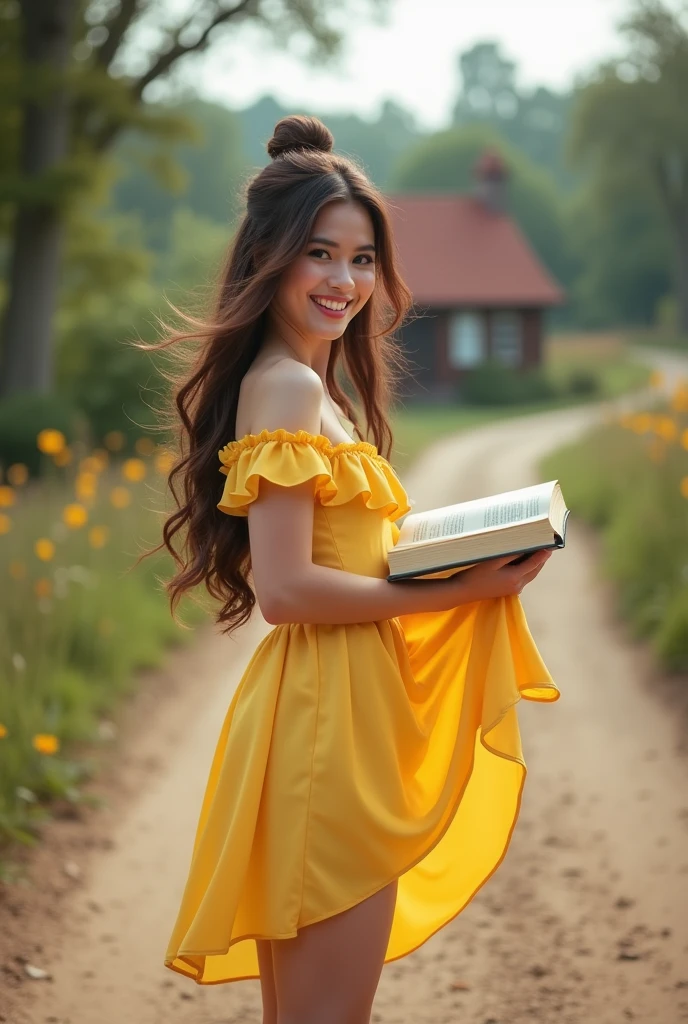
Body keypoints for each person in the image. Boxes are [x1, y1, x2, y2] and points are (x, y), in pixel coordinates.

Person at [155, 114, 559, 1024]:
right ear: (271, 257)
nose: (345, 282)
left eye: (364, 259)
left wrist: (459, 553)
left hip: (337, 716)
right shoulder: (290, 386)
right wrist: (462, 590)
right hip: (321, 733)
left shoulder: (311, 384)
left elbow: (342, 556)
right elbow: (287, 590)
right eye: (321, 256)